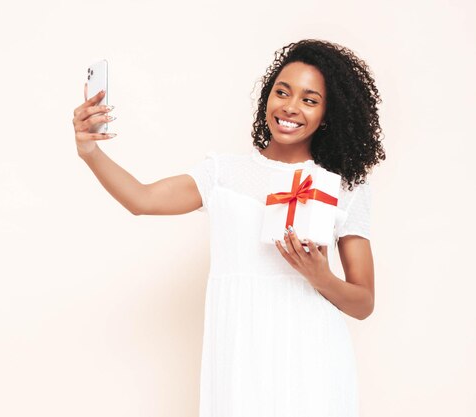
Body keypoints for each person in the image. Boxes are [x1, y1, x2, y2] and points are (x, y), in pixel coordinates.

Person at [72, 38, 385, 417]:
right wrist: (90, 151)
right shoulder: (222, 173)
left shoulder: (343, 187)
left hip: (312, 358)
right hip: (239, 355)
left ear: (327, 114)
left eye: (309, 99)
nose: (289, 107)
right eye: (282, 92)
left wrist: (320, 277)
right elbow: (141, 199)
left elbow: (364, 302)